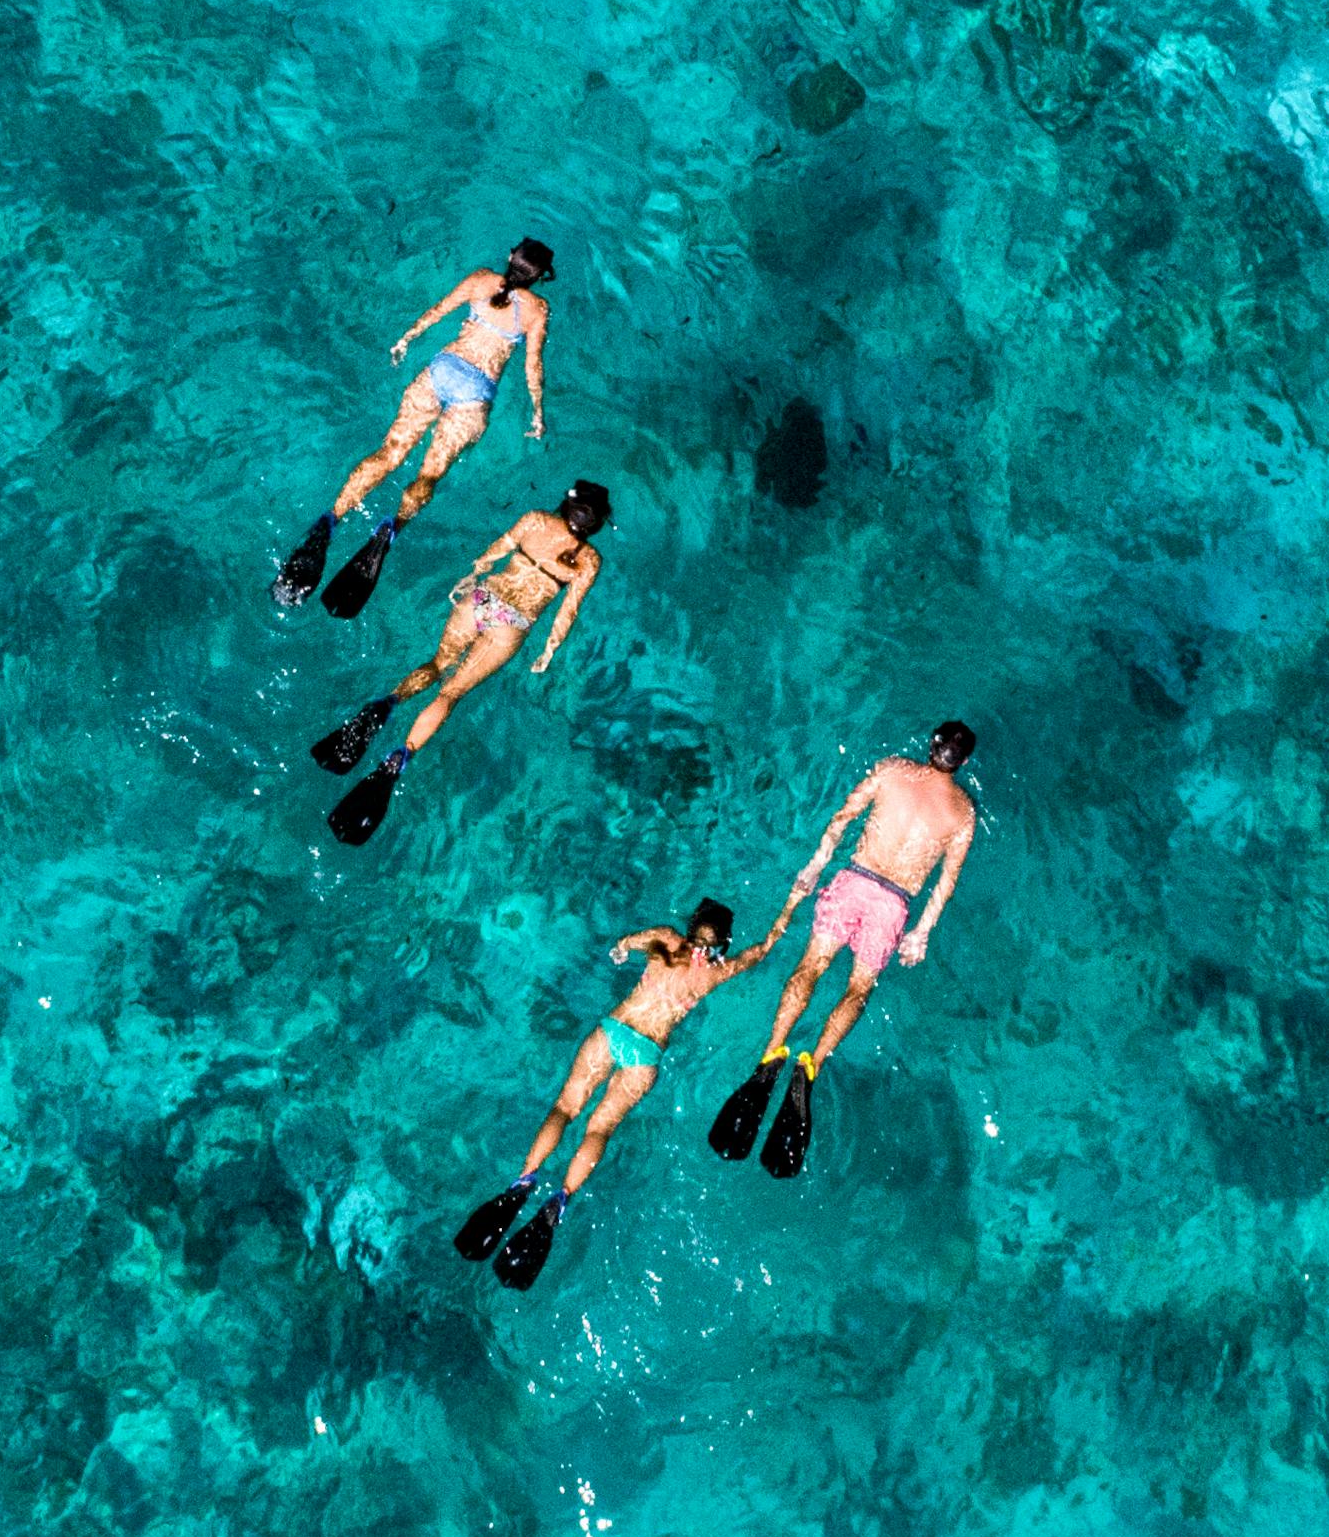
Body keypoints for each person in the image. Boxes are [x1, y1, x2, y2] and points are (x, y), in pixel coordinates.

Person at [457, 896, 794, 1289]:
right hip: (645, 1056)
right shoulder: (715, 973)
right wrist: (789, 908)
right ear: (722, 942)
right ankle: (561, 1199)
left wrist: (621, 949)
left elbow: (626, 943)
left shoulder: (668, 940)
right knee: (599, 1129)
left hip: (614, 1031)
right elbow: (764, 949)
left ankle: (523, 1182)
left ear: (691, 927)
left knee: (566, 1107)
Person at [710, 721, 978, 1178]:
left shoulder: (893, 769)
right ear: (964, 763)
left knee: (810, 966)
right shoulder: (963, 814)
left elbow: (843, 817)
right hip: (894, 903)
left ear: (930, 744)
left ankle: (773, 1051)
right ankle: (809, 1067)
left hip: (855, 879)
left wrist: (816, 864)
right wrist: (922, 933)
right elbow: (946, 883)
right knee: (857, 990)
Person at [310, 482, 609, 846]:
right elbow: (568, 610)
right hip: (511, 624)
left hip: (483, 598)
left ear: (566, 504)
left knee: (437, 664)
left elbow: (495, 552)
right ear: (595, 524)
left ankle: (387, 704)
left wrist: (472, 575)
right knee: (450, 694)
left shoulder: (535, 519)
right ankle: (400, 756)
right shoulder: (589, 560)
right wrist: (549, 649)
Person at [273, 240, 555, 617]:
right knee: (429, 475)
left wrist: (406, 338)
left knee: (390, 453)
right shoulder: (537, 309)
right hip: (474, 395)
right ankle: (390, 530)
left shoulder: (481, 280)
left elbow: (438, 310)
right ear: (540, 278)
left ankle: (331, 519)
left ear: (509, 257)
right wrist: (537, 412)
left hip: (442, 371)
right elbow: (532, 366)